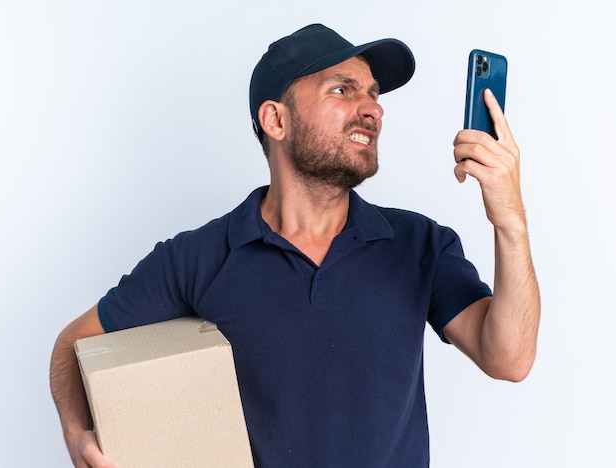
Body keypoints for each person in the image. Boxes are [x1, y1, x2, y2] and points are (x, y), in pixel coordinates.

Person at [50, 23, 540, 467]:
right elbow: (74, 341)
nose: (373, 108)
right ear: (276, 120)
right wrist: (77, 436)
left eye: (372, 94)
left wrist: (510, 222)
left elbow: (510, 359)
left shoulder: (418, 245)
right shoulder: (199, 257)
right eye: (343, 90)